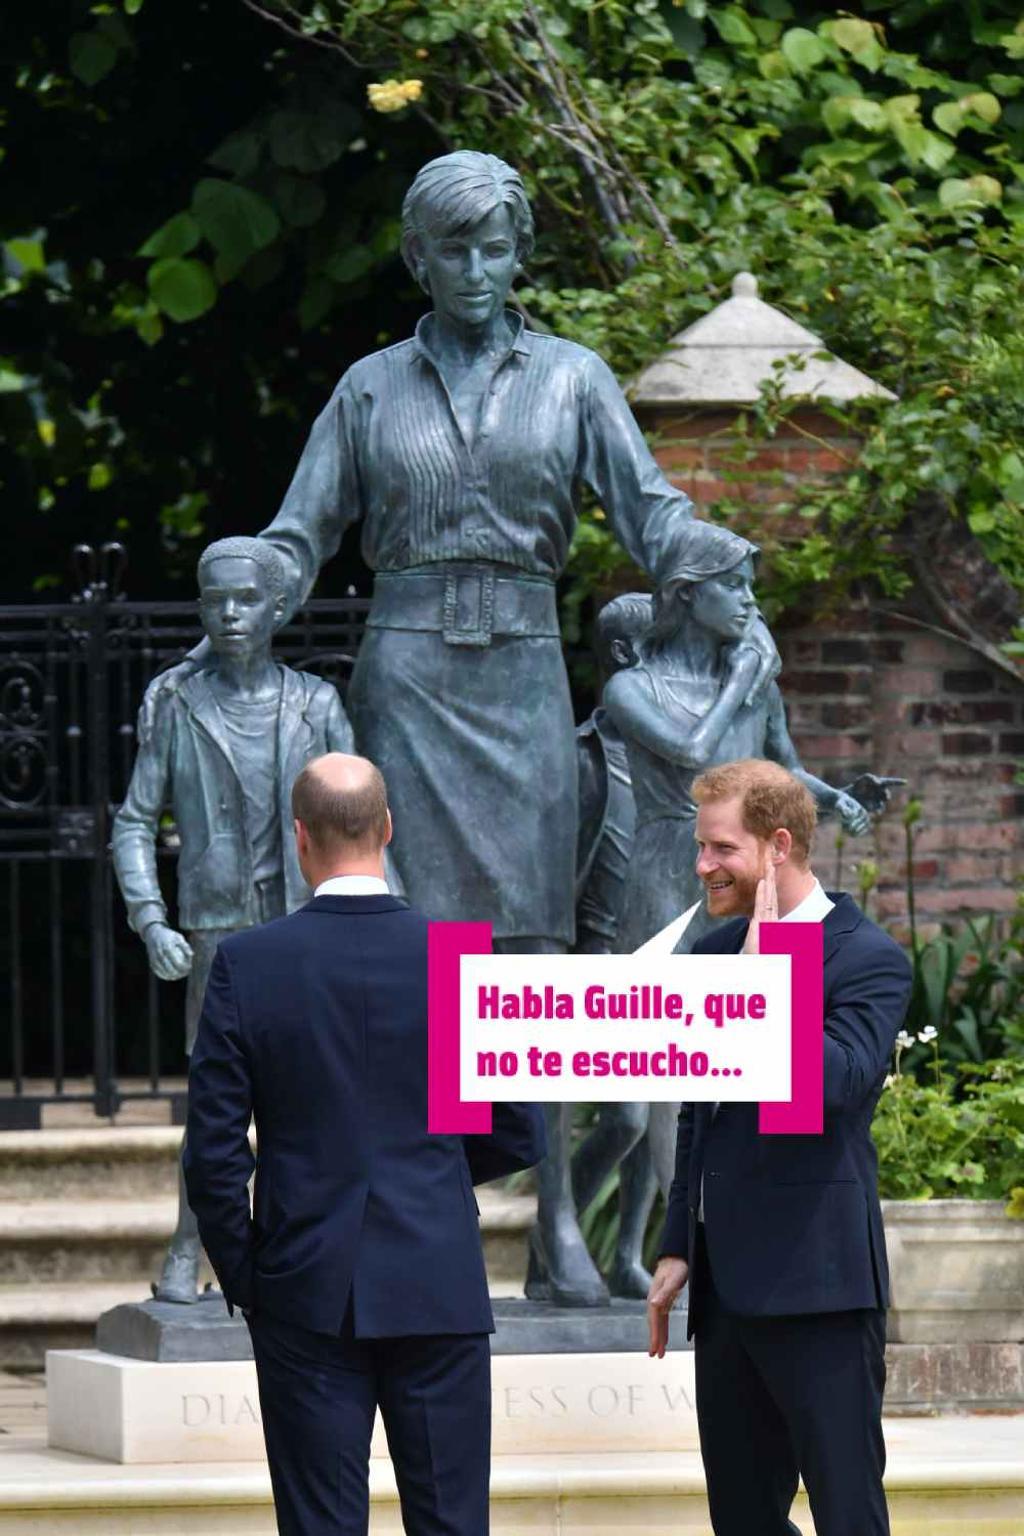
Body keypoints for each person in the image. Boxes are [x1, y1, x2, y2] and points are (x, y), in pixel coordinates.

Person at [162, 149, 779, 1306]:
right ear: (416, 255)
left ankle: (552, 1227)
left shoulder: (574, 378)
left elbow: (649, 510)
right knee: (437, 960)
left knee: (533, 953)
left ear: (520, 255)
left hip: (525, 681)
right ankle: (441, 1205)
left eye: (498, 246)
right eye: (455, 247)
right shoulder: (368, 388)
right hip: (409, 676)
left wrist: (721, 572)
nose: (479, 268)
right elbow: (301, 535)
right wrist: (244, 606)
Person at [183, 752, 546, 1536]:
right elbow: (519, 1129)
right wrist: (435, 1173)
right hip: (436, 1275)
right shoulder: (463, 959)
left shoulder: (248, 963)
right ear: (387, 829)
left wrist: (250, 1273)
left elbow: (213, 1153)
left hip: (302, 1284)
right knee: (451, 1523)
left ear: (300, 838)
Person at [646, 759, 912, 1536]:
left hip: (822, 1289)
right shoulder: (709, 956)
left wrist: (769, 986)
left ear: (778, 847)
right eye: (702, 847)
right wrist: (676, 1245)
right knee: (743, 1521)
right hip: (724, 1295)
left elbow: (837, 1090)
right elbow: (699, 1113)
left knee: (848, 1516)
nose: (703, 866)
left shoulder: (870, 959)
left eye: (720, 849)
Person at [112, 536, 354, 1303]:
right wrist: (151, 920)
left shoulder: (317, 704)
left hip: (306, 925)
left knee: (311, 1098)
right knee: (216, 1108)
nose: (229, 613)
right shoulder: (176, 704)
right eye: (214, 600)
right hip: (219, 930)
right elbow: (133, 821)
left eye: (245, 599)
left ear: (278, 607)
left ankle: (295, 1251)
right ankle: (190, 1245)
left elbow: (365, 821)